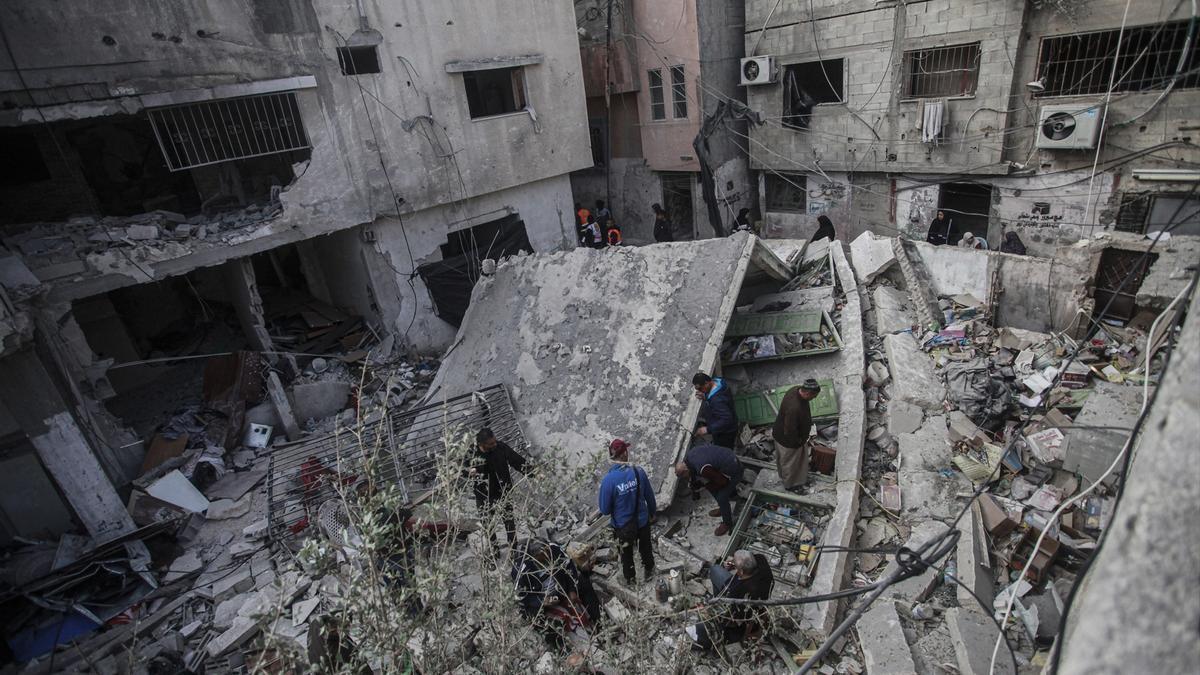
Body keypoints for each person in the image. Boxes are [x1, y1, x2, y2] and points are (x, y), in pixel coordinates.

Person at [598, 439, 657, 584]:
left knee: (626, 555)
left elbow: (605, 510)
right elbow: (650, 497)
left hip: (623, 527)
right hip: (642, 522)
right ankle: (649, 571)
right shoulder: (639, 472)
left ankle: (630, 580)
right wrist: (652, 514)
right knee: (646, 549)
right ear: (624, 453)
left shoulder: (608, 481)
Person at [689, 549, 774, 650]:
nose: (734, 565)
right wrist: (732, 564)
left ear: (741, 571)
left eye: (737, 568)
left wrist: (710, 611)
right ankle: (718, 598)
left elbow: (730, 620)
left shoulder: (741, 593)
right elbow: (748, 560)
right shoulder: (761, 560)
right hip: (739, 599)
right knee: (715, 569)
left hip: (737, 623)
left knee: (698, 630)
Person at [512, 539, 592, 645]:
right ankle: (563, 649)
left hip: (559, 590)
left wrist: (572, 589)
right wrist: (541, 601)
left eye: (548, 551)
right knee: (547, 625)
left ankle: (597, 624)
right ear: (534, 557)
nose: (548, 555)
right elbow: (519, 597)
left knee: (584, 584)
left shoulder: (554, 548)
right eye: (543, 554)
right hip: (538, 601)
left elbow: (569, 566)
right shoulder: (522, 569)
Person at [464, 427, 526, 548]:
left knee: (509, 522)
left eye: (495, 441)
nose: (494, 444)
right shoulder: (472, 453)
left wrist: (534, 472)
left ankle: (514, 550)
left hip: (503, 492)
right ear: (482, 444)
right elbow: (461, 469)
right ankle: (494, 551)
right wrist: (468, 472)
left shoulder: (500, 447)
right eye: (491, 443)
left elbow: (517, 461)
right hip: (483, 496)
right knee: (488, 526)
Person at [675, 443, 744, 536]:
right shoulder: (690, 456)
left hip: (735, 470)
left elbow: (723, 482)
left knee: (721, 497)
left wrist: (704, 487)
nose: (686, 478)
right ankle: (723, 509)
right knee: (712, 488)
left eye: (685, 476)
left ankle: (727, 523)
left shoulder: (702, 468)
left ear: (686, 471)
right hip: (728, 456)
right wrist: (697, 483)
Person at [772, 379, 821, 493]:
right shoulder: (794, 408)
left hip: (781, 435)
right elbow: (789, 430)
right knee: (790, 464)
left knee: (788, 461)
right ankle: (791, 485)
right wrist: (797, 442)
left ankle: (792, 479)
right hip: (788, 441)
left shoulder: (795, 389)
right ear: (807, 393)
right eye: (814, 396)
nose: (814, 398)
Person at [692, 372, 739, 450]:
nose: (700, 391)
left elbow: (726, 420)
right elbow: (718, 396)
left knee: (723, 452)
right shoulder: (719, 382)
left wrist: (707, 429)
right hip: (729, 427)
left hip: (725, 433)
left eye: (700, 388)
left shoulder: (717, 401)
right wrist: (706, 396)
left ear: (707, 383)